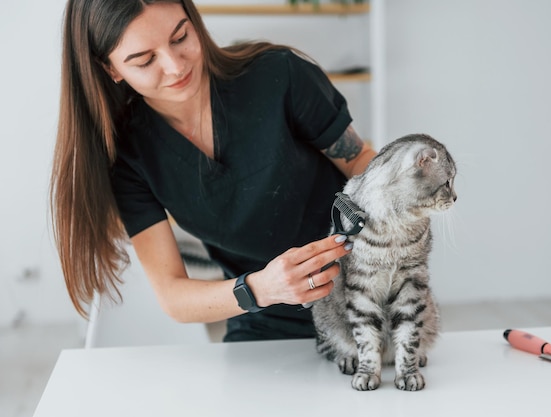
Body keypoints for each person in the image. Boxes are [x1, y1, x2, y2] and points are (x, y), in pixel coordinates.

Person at [50, 0, 376, 342]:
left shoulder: (279, 75)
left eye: (180, 37)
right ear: (111, 69)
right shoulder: (129, 157)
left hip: (365, 301)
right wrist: (261, 289)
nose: (175, 66)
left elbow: (359, 161)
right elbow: (173, 296)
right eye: (146, 60)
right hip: (263, 321)